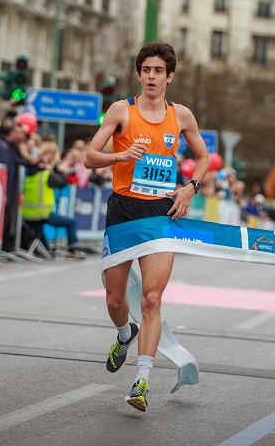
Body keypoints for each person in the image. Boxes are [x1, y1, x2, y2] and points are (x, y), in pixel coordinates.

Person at [84, 41, 209, 412]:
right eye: (146, 70)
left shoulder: (181, 115)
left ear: (170, 76)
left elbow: (202, 158)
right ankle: (125, 332)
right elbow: (89, 157)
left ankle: (141, 381)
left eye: (158, 71)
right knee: (115, 299)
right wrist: (120, 154)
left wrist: (190, 188)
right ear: (139, 74)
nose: (151, 76)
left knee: (152, 298)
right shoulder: (121, 110)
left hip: (159, 215)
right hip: (122, 211)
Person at [22, 142, 82, 259]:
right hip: (41, 213)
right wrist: (63, 172)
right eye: (47, 153)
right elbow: (61, 183)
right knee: (71, 222)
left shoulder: (30, 171)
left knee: (42, 238)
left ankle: (45, 249)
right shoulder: (46, 173)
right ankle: (73, 250)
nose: (48, 156)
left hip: (27, 213)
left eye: (51, 154)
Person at [0, 117, 27, 253]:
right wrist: (3, 192)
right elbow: (2, 170)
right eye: (16, 132)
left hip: (5, 190)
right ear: (10, 132)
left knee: (3, 220)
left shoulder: (6, 145)